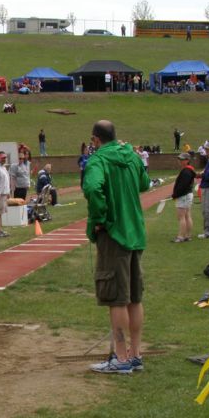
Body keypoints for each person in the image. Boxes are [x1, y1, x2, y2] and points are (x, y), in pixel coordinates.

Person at [83, 120, 150, 375]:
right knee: (134, 296)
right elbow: (144, 184)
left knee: (116, 298)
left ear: (95, 140)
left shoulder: (98, 160)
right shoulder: (131, 156)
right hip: (135, 232)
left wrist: (100, 219)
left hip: (115, 235)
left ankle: (121, 358)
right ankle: (136, 354)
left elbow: (92, 187)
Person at [171, 153, 196, 243]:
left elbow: (182, 186)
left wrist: (175, 194)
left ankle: (181, 236)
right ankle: (187, 235)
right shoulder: (188, 170)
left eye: (182, 159)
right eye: (179, 159)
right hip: (187, 195)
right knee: (187, 215)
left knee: (181, 217)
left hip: (184, 196)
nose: (180, 161)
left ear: (187, 160)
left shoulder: (186, 171)